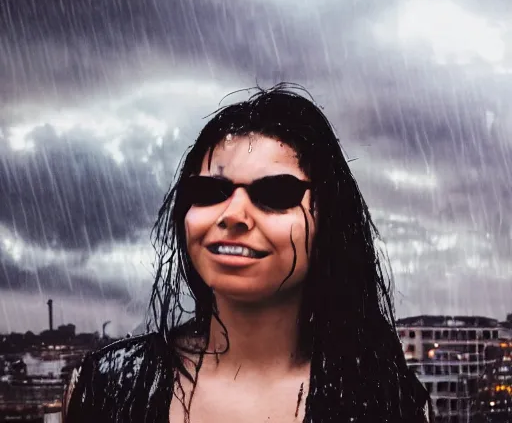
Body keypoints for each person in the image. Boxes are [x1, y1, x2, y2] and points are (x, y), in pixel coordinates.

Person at [64, 84, 432, 422]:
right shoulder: (108, 386)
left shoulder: (385, 400)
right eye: (209, 193)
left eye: (275, 195)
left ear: (330, 220)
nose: (233, 215)